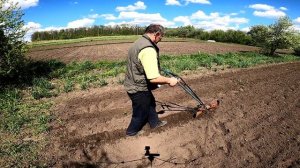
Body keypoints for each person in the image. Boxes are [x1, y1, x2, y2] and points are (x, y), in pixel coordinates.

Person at [124, 24, 178, 136]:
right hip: (138, 87)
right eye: (161, 37)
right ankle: (132, 132)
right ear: (157, 34)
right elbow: (153, 78)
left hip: (134, 81)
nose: (160, 39)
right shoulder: (148, 49)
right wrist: (169, 80)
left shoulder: (139, 42)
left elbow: (139, 63)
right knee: (140, 112)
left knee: (150, 103)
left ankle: (154, 123)